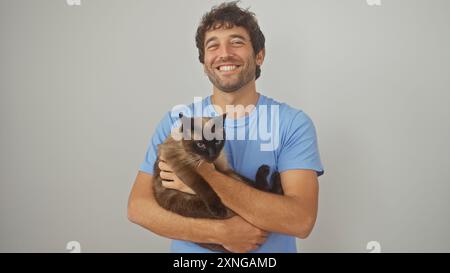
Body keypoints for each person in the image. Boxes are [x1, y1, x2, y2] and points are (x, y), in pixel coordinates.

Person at [127, 1, 324, 253]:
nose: (224, 53)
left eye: (237, 42)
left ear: (259, 55)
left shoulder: (292, 123)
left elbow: (301, 221)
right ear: (204, 61)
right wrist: (221, 232)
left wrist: (203, 176)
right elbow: (138, 208)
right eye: (213, 45)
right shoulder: (177, 120)